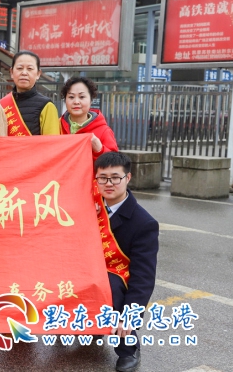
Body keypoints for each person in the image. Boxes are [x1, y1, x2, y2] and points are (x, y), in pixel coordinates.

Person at [93, 152, 159, 372]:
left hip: (118, 277)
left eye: (115, 177)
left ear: (127, 178)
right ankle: (85, 327)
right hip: (89, 270)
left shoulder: (144, 223)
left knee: (111, 285)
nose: (109, 183)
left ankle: (128, 348)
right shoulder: (89, 207)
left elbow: (143, 278)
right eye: (103, 178)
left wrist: (129, 316)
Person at [0, 50, 60, 136]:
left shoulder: (47, 106)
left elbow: (52, 142)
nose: (24, 73)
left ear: (38, 74)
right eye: (20, 68)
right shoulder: (1, 105)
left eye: (30, 69)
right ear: (12, 72)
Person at [59, 76, 118, 161]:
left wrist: (100, 150)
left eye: (82, 97)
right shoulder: (56, 126)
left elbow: (115, 164)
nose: (76, 102)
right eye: (71, 97)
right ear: (65, 100)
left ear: (91, 100)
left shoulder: (104, 131)